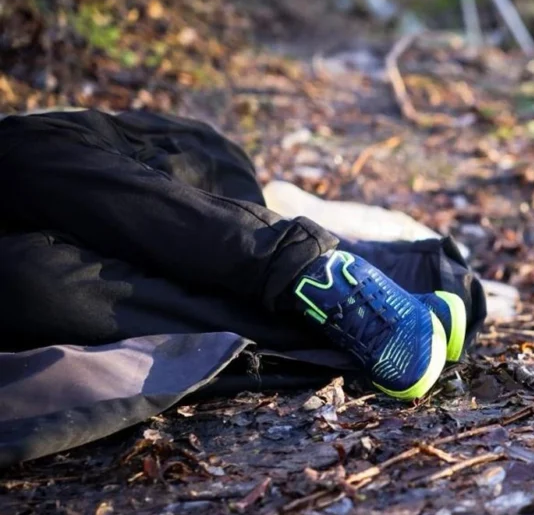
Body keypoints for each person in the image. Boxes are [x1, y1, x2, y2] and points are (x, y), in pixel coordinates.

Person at [0, 109, 482, 400]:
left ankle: (310, 272)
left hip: (181, 174)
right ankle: (335, 322)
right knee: (22, 284)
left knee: (14, 155)